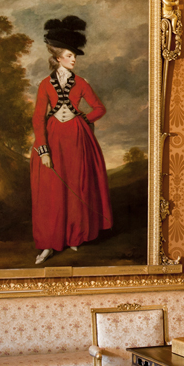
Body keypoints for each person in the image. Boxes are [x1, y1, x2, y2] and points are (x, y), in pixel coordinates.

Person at [30, 16, 112, 265]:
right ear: (58, 58)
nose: (74, 59)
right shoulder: (45, 84)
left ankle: (75, 236)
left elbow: (99, 108)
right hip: (53, 140)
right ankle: (49, 243)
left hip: (77, 140)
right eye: (69, 55)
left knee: (77, 186)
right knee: (51, 192)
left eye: (74, 55)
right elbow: (38, 118)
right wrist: (43, 150)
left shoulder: (82, 83)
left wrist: (84, 119)